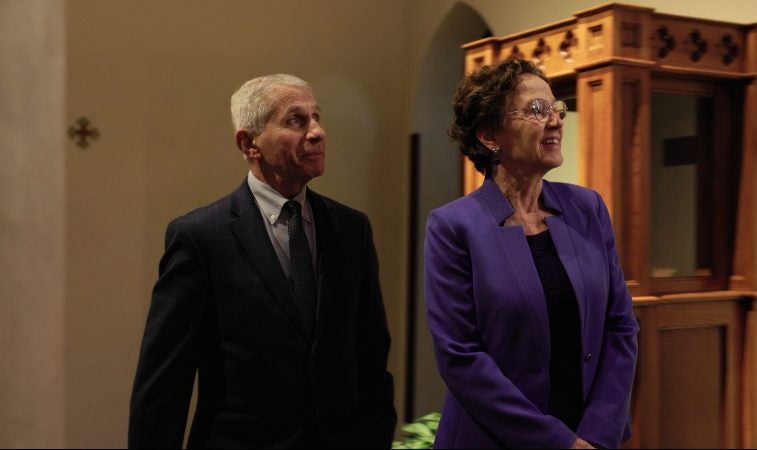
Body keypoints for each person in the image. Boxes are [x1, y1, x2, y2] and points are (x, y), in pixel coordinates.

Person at [129, 74, 397, 449]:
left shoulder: (350, 228)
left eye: (317, 117)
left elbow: (370, 351)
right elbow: (165, 378)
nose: (317, 132)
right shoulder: (202, 237)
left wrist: (376, 434)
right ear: (248, 142)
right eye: (296, 120)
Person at [424, 58, 639, 449]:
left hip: (589, 436)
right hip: (494, 440)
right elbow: (461, 357)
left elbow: (620, 327)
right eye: (537, 110)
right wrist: (558, 443)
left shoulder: (587, 208)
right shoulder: (453, 226)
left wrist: (596, 433)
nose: (556, 120)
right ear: (490, 135)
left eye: (557, 108)